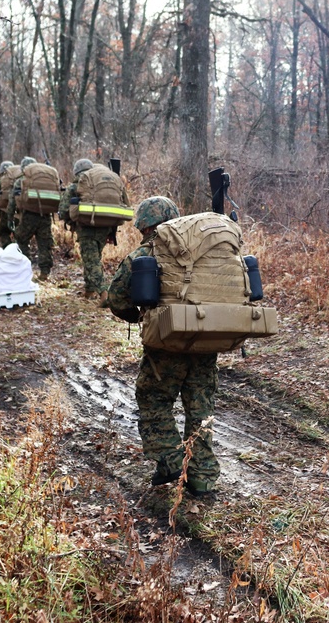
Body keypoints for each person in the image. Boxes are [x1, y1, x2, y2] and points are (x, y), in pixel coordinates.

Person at [105, 196, 220, 496]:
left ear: (143, 225)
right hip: (207, 337)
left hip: (167, 343)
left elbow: (116, 300)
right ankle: (203, 476)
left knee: (154, 398)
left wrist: (140, 314)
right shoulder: (205, 250)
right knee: (200, 404)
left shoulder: (143, 255)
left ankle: (170, 461)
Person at [58, 158, 128, 300]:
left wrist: (70, 220)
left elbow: (63, 209)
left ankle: (104, 293)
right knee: (93, 258)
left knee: (92, 261)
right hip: (105, 227)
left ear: (76, 171)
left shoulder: (76, 186)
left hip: (86, 228)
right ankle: (90, 290)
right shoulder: (99, 184)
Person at [8, 156, 53, 281]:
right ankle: (45, 273)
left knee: (21, 239)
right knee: (44, 243)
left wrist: (9, 217)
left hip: (28, 216)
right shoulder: (45, 181)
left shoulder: (21, 181)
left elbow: (12, 201)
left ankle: (25, 268)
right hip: (45, 216)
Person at [0, 161, 16, 246]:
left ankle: (8, 250)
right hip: (19, 212)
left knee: (3, 232)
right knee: (19, 234)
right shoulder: (19, 179)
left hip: (5, 211)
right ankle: (19, 252)